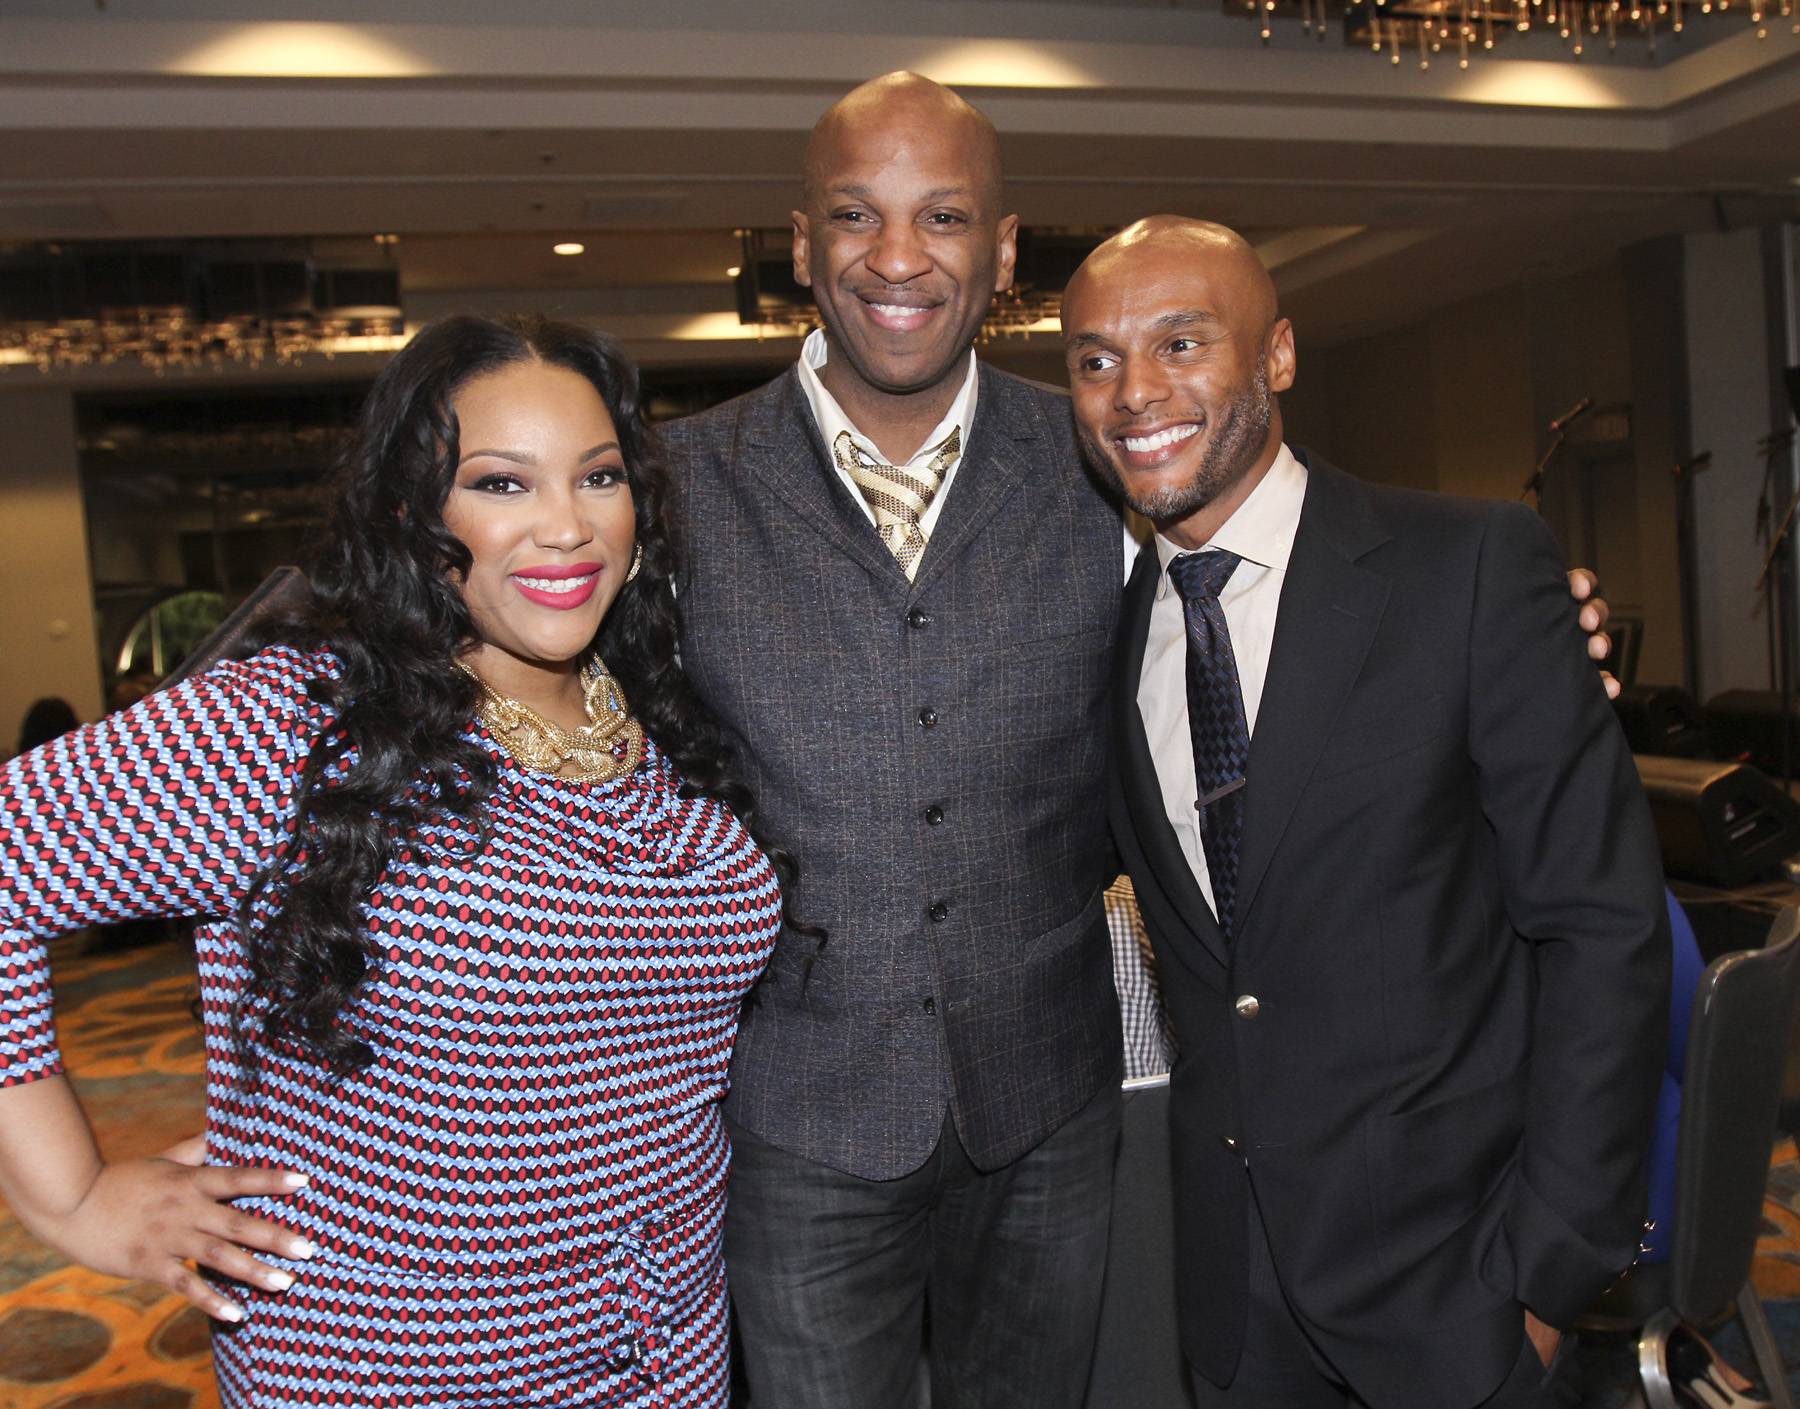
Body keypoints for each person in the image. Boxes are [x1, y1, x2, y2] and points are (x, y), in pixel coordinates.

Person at [662, 71, 1614, 1409]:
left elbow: (1323, 647)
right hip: (801, 1116)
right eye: (853, 216)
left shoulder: (1109, 462)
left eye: (942, 216)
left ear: (1001, 252)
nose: (895, 255)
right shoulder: (672, 488)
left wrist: (1532, 638)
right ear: (803, 241)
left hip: (1052, 1100)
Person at [0, 314, 784, 1407]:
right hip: (391, 1362)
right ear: (417, 513)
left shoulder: (659, 704)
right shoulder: (296, 726)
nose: (566, 525)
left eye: (597, 476)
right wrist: (74, 1196)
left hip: (665, 1349)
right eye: (503, 484)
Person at [1067, 216, 1669, 1409]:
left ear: (1279, 356)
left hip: (1462, 1289)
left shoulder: (1471, 566)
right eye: (1093, 359)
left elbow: (1603, 930)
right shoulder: (1106, 621)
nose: (1136, 392)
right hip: (1234, 1304)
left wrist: (1551, 1277)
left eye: (1182, 341)